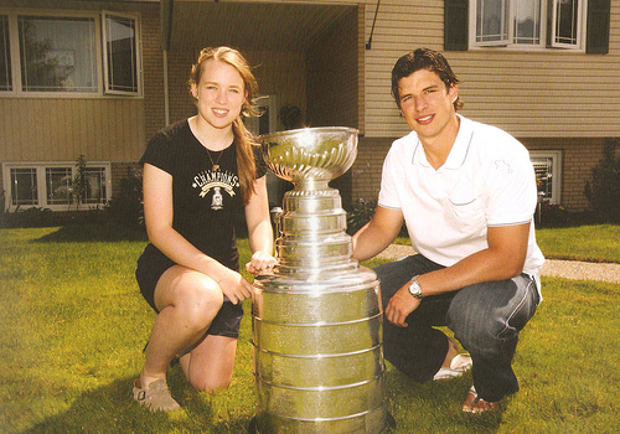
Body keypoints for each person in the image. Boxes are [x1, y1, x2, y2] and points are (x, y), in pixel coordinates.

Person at [352, 48, 544, 414]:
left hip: (506, 276)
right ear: (400, 107)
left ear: (453, 91)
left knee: (474, 316)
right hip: (434, 264)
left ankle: (490, 386)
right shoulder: (400, 154)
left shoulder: (499, 152)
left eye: (430, 91)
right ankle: (439, 357)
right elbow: (381, 228)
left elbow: (506, 257)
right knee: (362, 301)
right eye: (408, 97)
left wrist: (418, 287)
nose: (420, 105)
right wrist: (330, 255)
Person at [133, 46, 276, 411]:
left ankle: (172, 335)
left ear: (245, 97)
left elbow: (259, 219)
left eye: (233, 90)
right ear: (194, 88)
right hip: (169, 267)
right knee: (203, 296)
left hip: (221, 273)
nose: (221, 99)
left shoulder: (250, 151)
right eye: (212, 87)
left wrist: (263, 250)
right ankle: (150, 378)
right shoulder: (166, 145)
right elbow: (159, 231)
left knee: (208, 383)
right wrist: (220, 276)